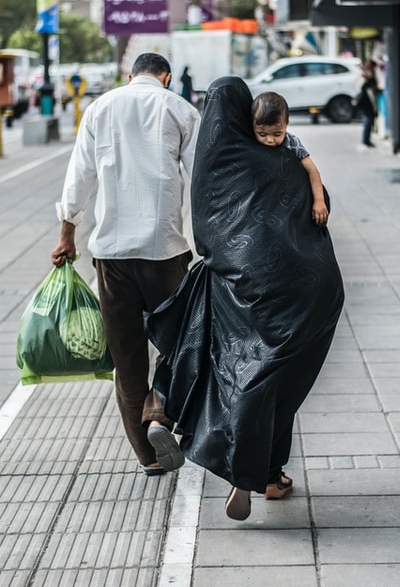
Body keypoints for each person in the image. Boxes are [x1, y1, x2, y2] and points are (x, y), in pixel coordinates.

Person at [145, 76, 344, 520]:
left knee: (215, 354)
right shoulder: (282, 158)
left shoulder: (213, 161)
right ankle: (267, 474)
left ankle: (165, 415)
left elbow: (208, 232)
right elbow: (319, 204)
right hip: (305, 292)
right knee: (276, 381)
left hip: (239, 285)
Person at [51, 52, 201, 476]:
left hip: (112, 257)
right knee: (178, 344)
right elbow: (203, 178)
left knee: (127, 356)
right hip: (165, 252)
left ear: (130, 75)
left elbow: (79, 174)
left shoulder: (100, 108)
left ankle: (148, 457)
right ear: (166, 77)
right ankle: (160, 416)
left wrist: (67, 236)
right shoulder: (180, 109)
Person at [252, 91, 329, 227]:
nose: (270, 140)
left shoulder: (291, 143)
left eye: (277, 134)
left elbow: (312, 170)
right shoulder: (250, 142)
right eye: (262, 134)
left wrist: (319, 201)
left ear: (287, 124)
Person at [354, 59, 378, 148]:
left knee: (368, 119)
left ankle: (366, 139)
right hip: (366, 100)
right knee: (368, 119)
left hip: (365, 100)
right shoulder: (366, 74)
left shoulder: (363, 73)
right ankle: (366, 140)